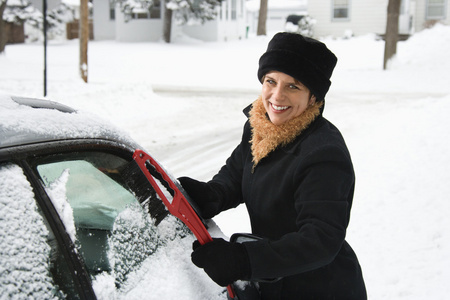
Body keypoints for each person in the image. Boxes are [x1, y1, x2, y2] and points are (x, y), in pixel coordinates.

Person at [178, 32, 367, 299]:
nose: (277, 96)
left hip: (320, 288)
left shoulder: (324, 153)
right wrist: (213, 195)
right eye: (271, 81)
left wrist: (244, 260)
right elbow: (238, 172)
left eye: (293, 86)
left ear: (313, 97)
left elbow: (320, 239)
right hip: (275, 283)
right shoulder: (260, 127)